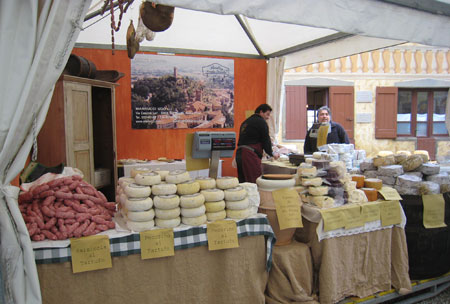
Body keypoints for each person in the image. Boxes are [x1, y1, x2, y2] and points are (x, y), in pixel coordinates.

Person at [235, 104, 279, 183]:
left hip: (239, 153)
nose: (268, 117)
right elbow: (265, 139)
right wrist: (272, 153)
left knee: (243, 182)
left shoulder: (246, 122)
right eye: (267, 114)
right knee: (254, 182)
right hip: (249, 154)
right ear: (261, 112)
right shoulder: (261, 122)